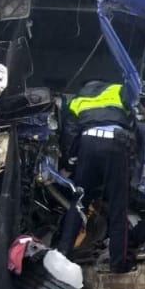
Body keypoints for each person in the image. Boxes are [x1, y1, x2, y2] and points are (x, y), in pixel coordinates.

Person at [57, 79, 135, 272]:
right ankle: (118, 263)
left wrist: (71, 161)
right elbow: (135, 118)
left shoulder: (78, 98)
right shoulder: (119, 90)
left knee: (80, 203)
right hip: (115, 143)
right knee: (118, 206)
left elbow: (70, 132)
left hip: (88, 143)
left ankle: (62, 254)